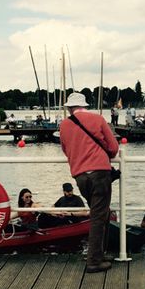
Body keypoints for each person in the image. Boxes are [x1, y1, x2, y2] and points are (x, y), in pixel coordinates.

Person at [59, 91, 119, 273]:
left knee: (102, 213)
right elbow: (114, 148)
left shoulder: (64, 125)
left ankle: (99, 253)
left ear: (69, 108)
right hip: (100, 173)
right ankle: (93, 261)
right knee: (98, 216)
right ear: (85, 106)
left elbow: (65, 149)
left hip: (80, 176)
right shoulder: (98, 119)